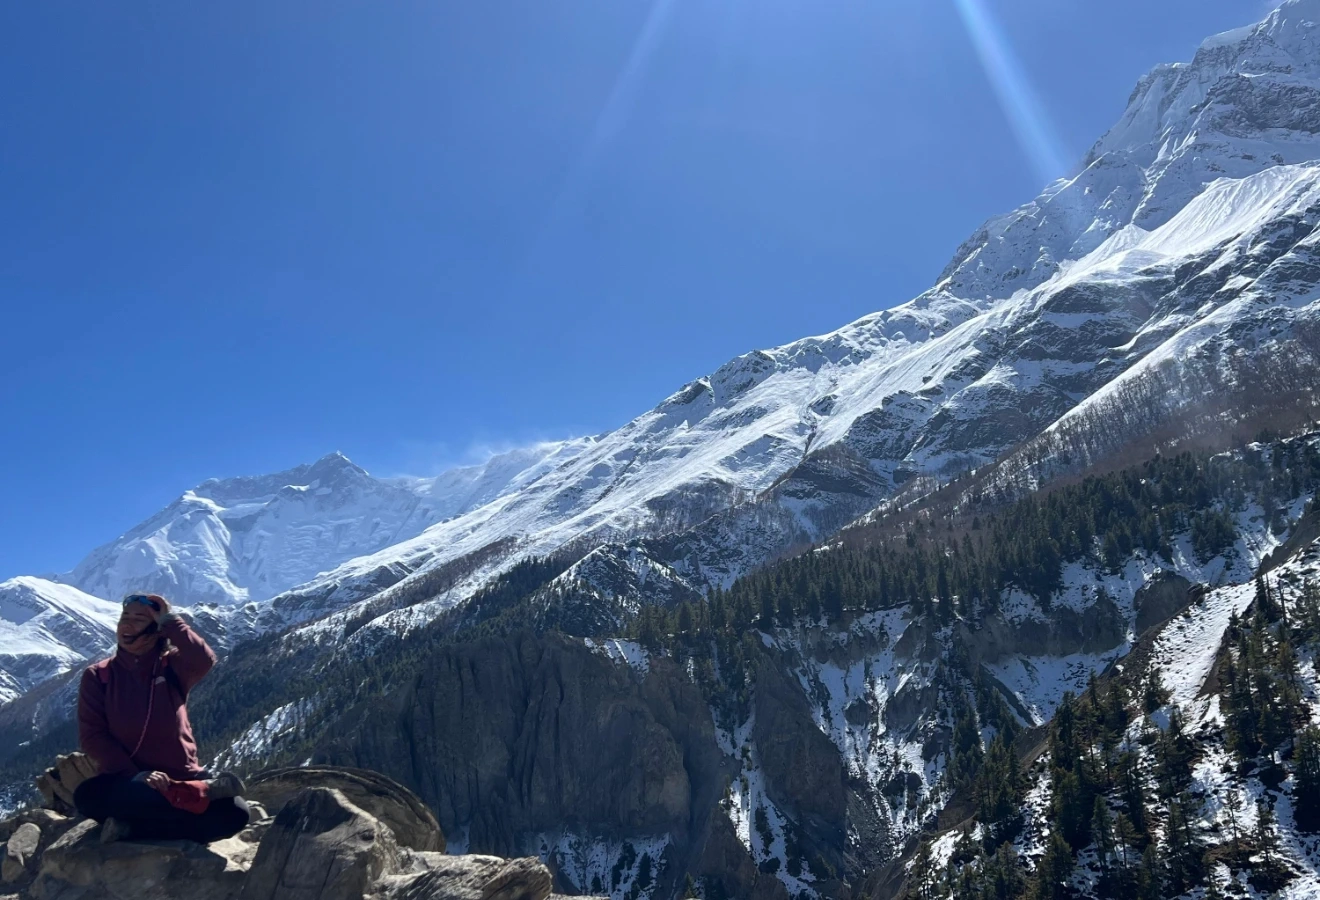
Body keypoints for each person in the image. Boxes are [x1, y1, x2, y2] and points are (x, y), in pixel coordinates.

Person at [74, 592, 249, 844]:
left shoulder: (172, 666)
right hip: (128, 780)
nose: (127, 624)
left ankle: (137, 827)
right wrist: (137, 776)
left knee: (235, 813)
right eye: (125, 616)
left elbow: (203, 658)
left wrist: (170, 619)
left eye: (139, 619)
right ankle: (190, 800)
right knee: (88, 795)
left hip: (182, 775)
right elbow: (92, 736)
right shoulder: (99, 675)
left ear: (156, 630)